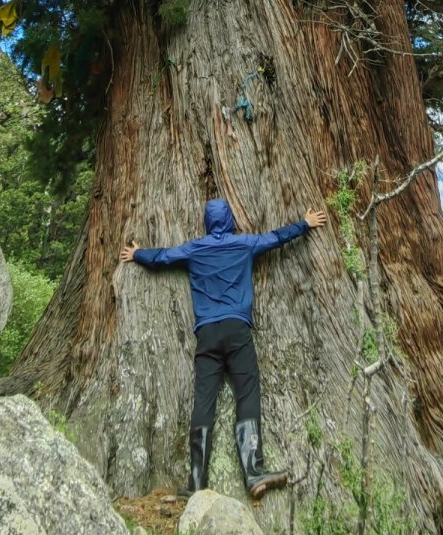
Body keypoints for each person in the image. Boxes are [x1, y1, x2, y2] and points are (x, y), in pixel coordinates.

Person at [120, 198, 327, 500]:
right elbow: (274, 238)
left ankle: (196, 482)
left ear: (207, 222)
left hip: (206, 334)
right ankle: (253, 471)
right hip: (236, 329)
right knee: (247, 390)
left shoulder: (194, 248)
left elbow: (163, 257)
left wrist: (137, 253)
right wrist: (304, 224)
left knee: (204, 399)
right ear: (229, 220)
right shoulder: (244, 243)